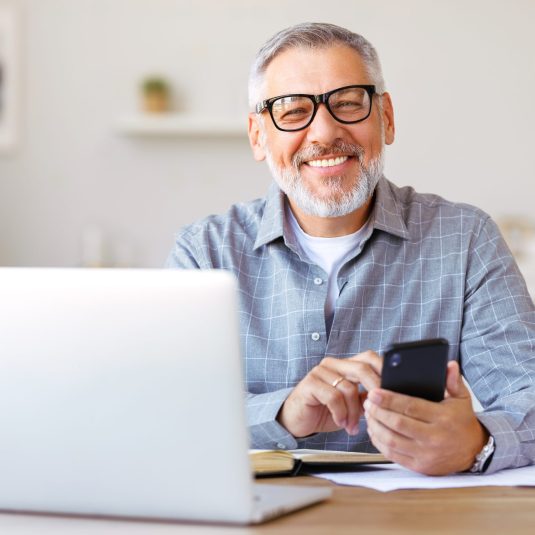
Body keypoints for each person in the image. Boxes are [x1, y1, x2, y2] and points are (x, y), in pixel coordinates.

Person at [166, 22, 535, 475]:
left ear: (387, 118)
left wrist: (478, 441)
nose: (324, 132)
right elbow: (169, 411)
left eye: (347, 103)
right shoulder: (204, 253)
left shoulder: (465, 238)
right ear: (258, 135)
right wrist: (282, 413)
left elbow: (529, 392)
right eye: (293, 110)